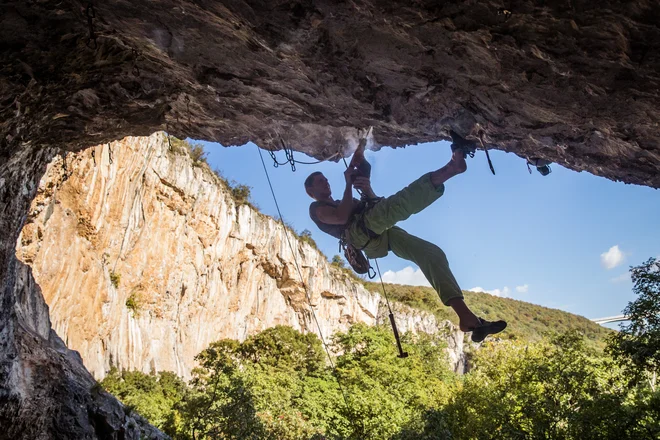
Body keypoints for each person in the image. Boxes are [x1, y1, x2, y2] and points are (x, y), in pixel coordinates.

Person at [305, 135, 507, 342]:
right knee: (398, 205)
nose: (326, 183)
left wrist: (366, 184)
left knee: (432, 254)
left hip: (375, 233)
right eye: (321, 182)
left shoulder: (343, 200)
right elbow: (341, 216)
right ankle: (451, 167)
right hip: (360, 235)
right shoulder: (316, 209)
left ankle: (466, 317)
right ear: (311, 191)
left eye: (326, 179)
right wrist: (348, 184)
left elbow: (373, 203)